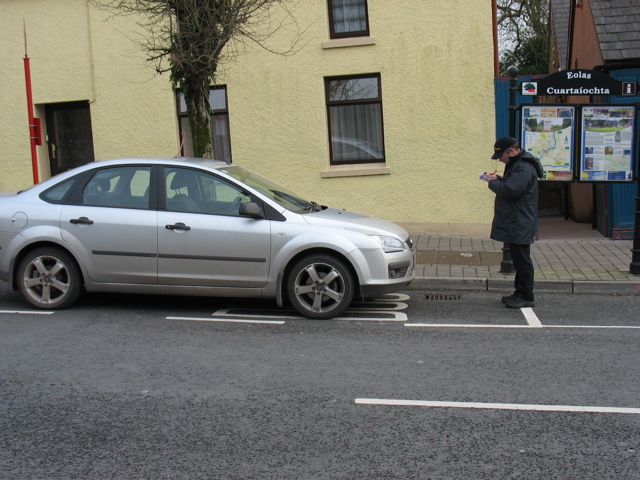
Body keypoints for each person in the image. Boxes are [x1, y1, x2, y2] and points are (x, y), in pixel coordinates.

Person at [483, 136, 543, 308]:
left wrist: (493, 183)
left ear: (511, 151)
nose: (501, 160)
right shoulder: (518, 165)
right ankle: (519, 292)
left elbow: (511, 191)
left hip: (520, 220)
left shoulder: (523, 167)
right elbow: (511, 186)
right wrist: (499, 180)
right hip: (518, 219)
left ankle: (526, 295)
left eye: (502, 156)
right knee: (519, 259)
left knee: (522, 260)